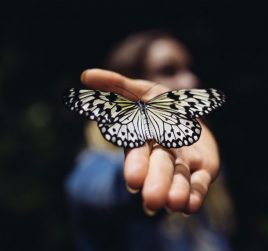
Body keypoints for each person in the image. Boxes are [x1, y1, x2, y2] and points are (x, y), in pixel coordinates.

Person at [65, 30, 235, 250]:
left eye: (188, 68)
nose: (192, 79)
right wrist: (143, 183)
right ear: (128, 83)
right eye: (168, 70)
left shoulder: (202, 165)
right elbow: (105, 190)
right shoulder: (93, 165)